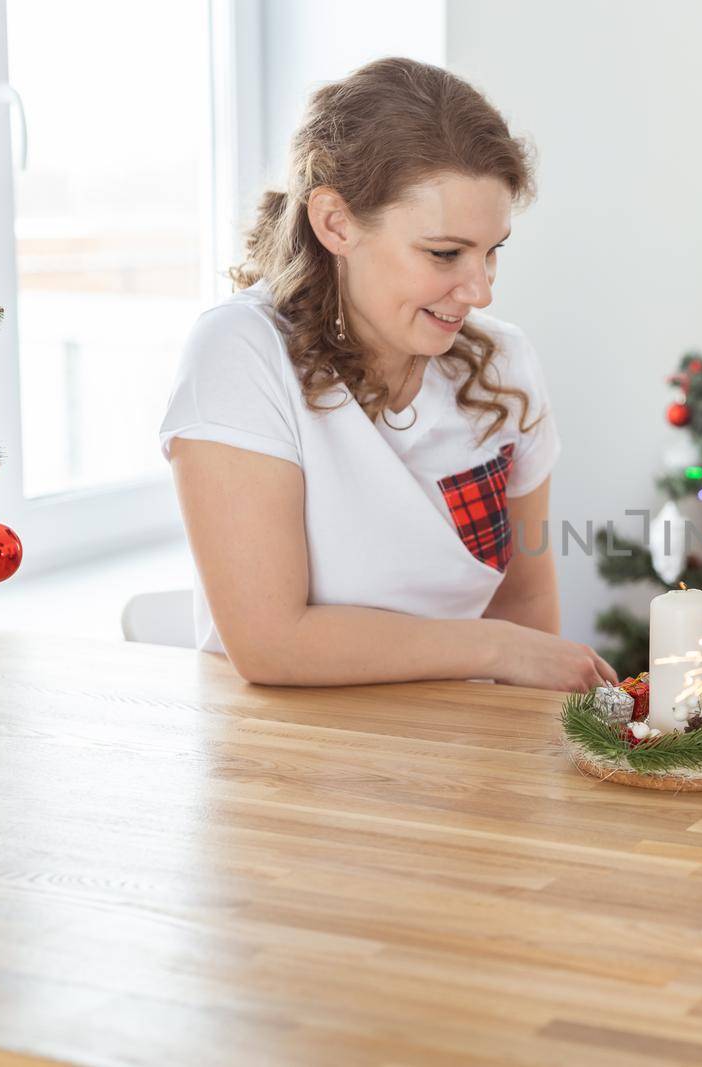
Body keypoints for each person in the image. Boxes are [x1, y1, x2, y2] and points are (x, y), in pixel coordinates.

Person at [159, 58, 614, 691]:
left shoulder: (503, 365)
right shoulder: (241, 352)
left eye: (492, 252)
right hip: (287, 762)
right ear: (335, 223)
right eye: (446, 253)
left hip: (459, 754)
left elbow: (525, 606)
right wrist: (493, 649)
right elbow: (270, 643)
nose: (479, 291)